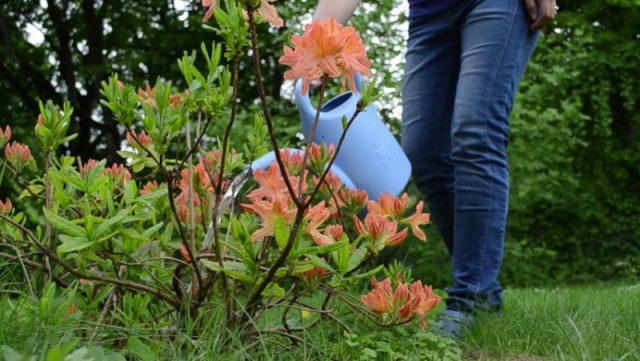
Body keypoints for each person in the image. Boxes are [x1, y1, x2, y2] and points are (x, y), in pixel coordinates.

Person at [313, 0, 557, 337]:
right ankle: (483, 292)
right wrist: (316, 44)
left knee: (476, 132)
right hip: (427, 16)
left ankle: (471, 297)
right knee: (424, 153)